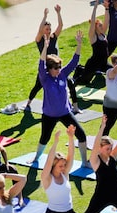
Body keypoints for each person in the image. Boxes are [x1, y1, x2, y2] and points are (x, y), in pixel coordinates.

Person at [31, 29, 90, 169]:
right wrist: (45, 46)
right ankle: (36, 158)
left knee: (81, 135)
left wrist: (79, 44)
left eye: (59, 66)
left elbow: (74, 62)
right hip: (49, 115)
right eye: (56, 67)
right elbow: (41, 63)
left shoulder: (63, 74)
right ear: (49, 69)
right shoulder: (45, 78)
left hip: (65, 113)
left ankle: (84, 162)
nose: (59, 69)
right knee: (44, 138)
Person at [25, 6, 80, 116]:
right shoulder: (39, 40)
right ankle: (28, 103)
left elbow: (60, 26)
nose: (49, 30)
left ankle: (75, 107)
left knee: (70, 82)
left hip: (57, 68)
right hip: (45, 69)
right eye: (47, 29)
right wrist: (44, 16)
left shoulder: (53, 37)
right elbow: (40, 30)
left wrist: (58, 13)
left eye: (49, 29)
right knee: (37, 86)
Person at [73, 2, 110, 87]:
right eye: (100, 26)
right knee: (84, 81)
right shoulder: (93, 37)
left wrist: (107, 8)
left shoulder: (103, 34)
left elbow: (107, 21)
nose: (102, 27)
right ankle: (73, 82)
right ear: (95, 27)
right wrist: (95, 8)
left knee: (114, 71)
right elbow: (93, 21)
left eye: (102, 25)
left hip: (104, 63)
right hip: (94, 63)